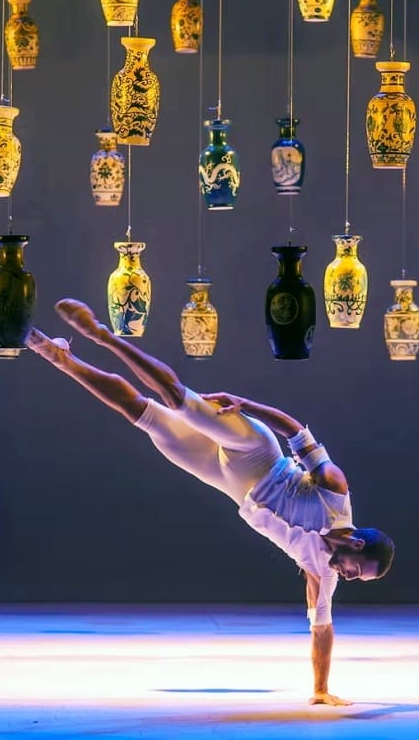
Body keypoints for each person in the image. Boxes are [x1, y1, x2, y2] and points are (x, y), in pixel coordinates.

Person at [25, 299, 396, 706]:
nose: (349, 578)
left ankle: (61, 358)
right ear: (356, 544)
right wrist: (246, 405)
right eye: (357, 571)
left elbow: (322, 630)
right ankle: (101, 334)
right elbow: (295, 431)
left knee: (141, 414)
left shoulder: (322, 572)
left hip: (227, 480)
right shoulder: (335, 493)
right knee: (176, 398)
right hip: (258, 452)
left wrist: (320, 690)